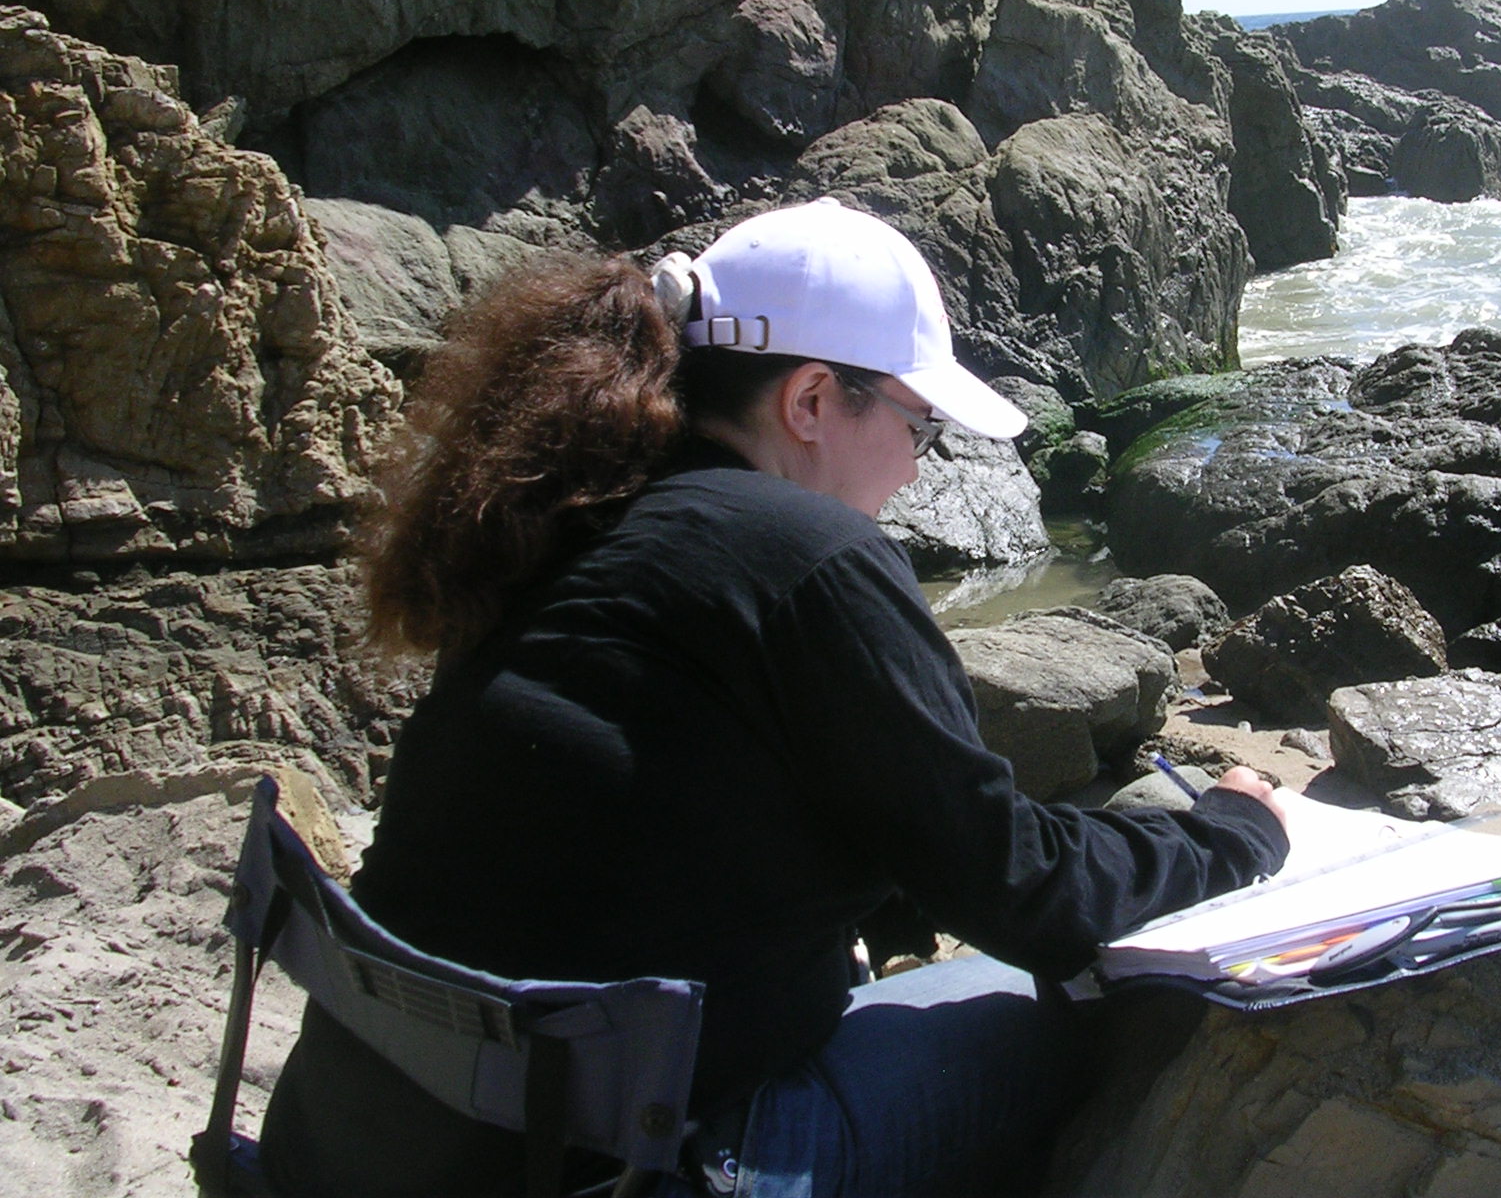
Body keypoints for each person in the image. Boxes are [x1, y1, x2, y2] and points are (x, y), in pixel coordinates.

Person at [258, 197, 1290, 1198]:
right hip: (614, 1170)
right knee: (1080, 1005)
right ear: (808, 401)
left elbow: (643, 803)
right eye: (916, 427)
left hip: (351, 1147)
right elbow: (1017, 888)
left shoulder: (554, 526)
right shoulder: (807, 557)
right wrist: (1231, 835)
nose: (913, 469)